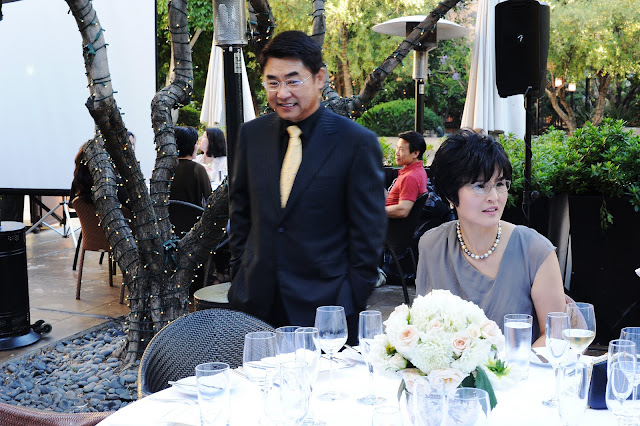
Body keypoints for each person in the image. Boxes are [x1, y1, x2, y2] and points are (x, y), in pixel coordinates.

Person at [228, 30, 386, 340]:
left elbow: (369, 233)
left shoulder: (356, 142)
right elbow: (241, 212)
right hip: (256, 303)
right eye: (273, 82)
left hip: (327, 307)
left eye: (293, 80)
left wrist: (350, 297)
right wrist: (239, 272)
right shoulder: (251, 135)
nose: (282, 93)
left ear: (319, 78)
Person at [415, 130, 565, 346]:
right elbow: (423, 326)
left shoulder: (535, 250)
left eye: (500, 184)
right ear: (450, 194)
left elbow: (554, 336)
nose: (494, 197)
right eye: (480, 186)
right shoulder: (432, 245)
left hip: (521, 367)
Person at [385, 131, 428, 218]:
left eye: (401, 150)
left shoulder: (410, 177)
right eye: (397, 148)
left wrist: (373, 211)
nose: (396, 153)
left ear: (415, 153)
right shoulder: (419, 170)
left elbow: (402, 210)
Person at [169, 126, 212, 208]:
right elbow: (210, 198)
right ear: (191, 146)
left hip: (167, 214)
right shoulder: (198, 169)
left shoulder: (166, 168)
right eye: (196, 143)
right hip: (194, 214)